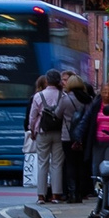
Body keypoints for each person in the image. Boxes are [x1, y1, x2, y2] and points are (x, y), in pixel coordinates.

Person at [25, 71, 69, 204]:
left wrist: (32, 130)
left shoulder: (38, 96)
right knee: (57, 164)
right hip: (59, 132)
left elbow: (32, 117)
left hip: (42, 131)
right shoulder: (63, 95)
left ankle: (41, 196)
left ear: (47, 81)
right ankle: (56, 195)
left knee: (42, 163)